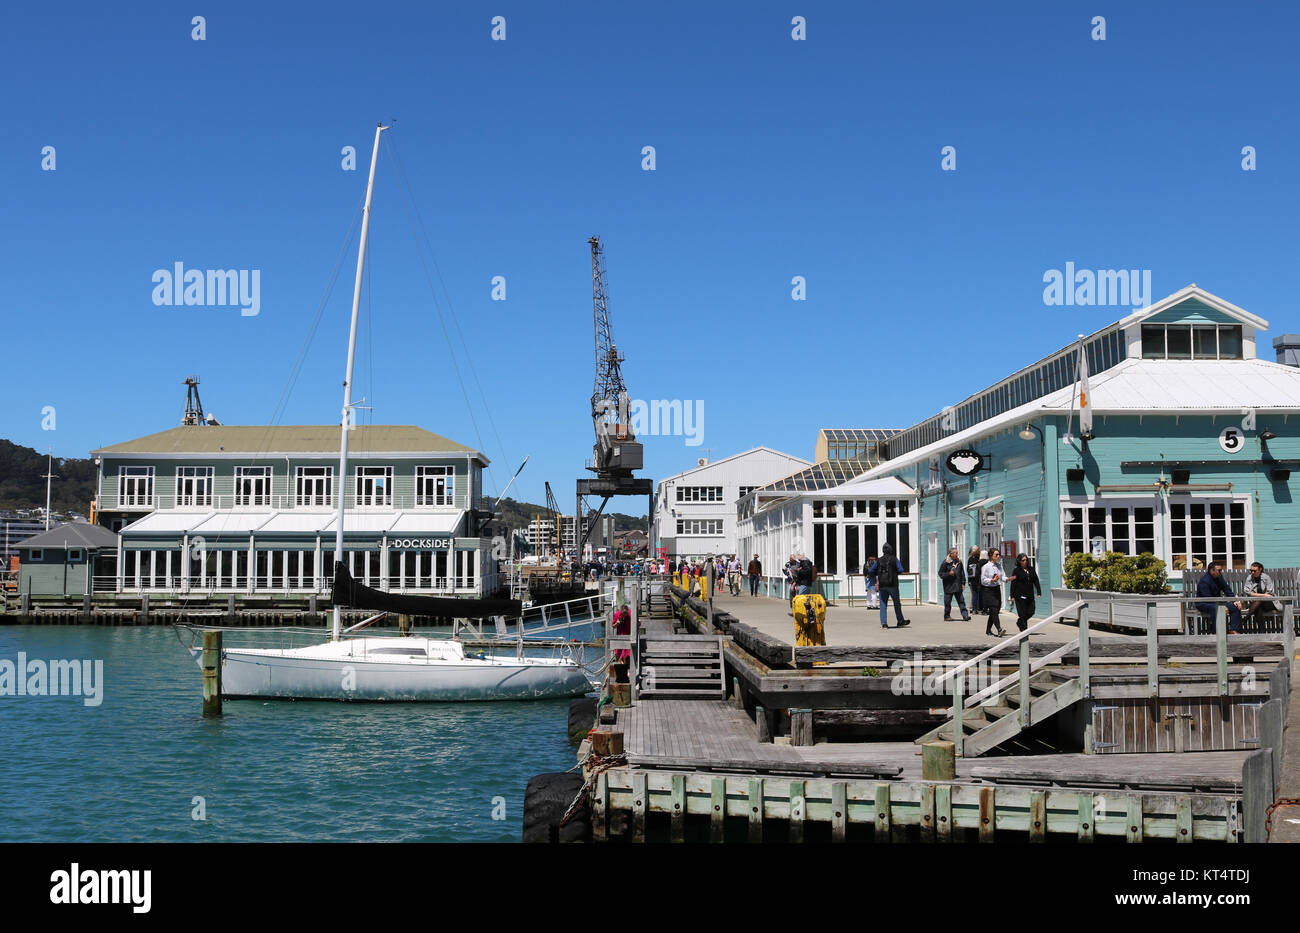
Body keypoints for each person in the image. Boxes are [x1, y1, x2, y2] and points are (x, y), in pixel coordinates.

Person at [1195, 562, 1244, 634]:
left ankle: (1233, 630)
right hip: (1203, 603)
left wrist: (1235, 600)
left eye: (1221, 570)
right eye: (1219, 570)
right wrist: (1221, 606)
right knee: (1216, 609)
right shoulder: (1204, 581)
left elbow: (1227, 590)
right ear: (1212, 571)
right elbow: (1208, 598)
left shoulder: (1219, 578)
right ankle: (1218, 632)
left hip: (1216, 602)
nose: (1221, 572)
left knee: (1235, 607)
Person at [869, 543, 909, 629]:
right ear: (891, 550)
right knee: (897, 603)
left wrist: (878, 574)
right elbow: (901, 570)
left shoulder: (878, 560)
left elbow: (871, 571)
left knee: (883, 604)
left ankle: (884, 624)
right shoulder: (894, 559)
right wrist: (894, 573)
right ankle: (900, 621)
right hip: (893, 584)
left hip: (882, 585)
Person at [1007, 553, 1041, 632]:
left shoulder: (1031, 569)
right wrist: (1012, 596)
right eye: (1023, 560)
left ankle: (1020, 622)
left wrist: (1039, 592)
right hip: (1020, 596)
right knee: (1022, 613)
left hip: (1030, 595)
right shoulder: (1016, 571)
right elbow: (1013, 583)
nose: (1025, 562)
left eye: (1026, 560)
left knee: (1031, 611)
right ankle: (1024, 629)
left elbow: (1036, 580)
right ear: (1019, 561)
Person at [980, 547, 1007, 637]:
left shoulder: (999, 566)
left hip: (996, 589)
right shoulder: (986, 567)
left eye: (999, 554)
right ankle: (999, 629)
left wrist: (1007, 579)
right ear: (991, 556)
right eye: (996, 554)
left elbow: (1002, 576)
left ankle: (988, 630)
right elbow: (983, 580)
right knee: (993, 609)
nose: (998, 556)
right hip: (988, 590)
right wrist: (992, 580)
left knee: (996, 609)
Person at [939, 547, 971, 621]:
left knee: (961, 601)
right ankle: (947, 616)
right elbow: (940, 574)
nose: (957, 554)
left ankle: (965, 616)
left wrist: (963, 583)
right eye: (955, 553)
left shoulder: (959, 562)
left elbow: (962, 573)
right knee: (947, 603)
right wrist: (949, 574)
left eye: (957, 553)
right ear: (951, 554)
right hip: (949, 586)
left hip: (957, 586)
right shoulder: (945, 562)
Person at [966, 546, 983, 614]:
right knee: (979, 594)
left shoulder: (970, 559)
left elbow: (968, 570)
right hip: (978, 579)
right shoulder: (979, 559)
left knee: (974, 594)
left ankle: (974, 609)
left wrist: (969, 580)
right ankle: (979, 609)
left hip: (972, 579)